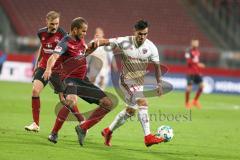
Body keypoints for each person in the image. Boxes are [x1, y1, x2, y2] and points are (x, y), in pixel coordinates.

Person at [43, 17, 113, 145]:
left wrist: (93, 48)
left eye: (86, 31)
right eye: (83, 31)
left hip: (82, 80)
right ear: (75, 30)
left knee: (108, 103)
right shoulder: (65, 42)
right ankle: (54, 133)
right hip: (69, 79)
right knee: (71, 100)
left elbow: (82, 54)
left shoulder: (80, 40)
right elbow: (53, 57)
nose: (85, 34)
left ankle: (83, 127)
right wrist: (48, 69)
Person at [101, 20, 166, 147]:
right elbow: (108, 41)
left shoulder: (151, 47)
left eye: (145, 34)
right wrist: (95, 43)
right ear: (134, 32)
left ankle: (108, 131)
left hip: (138, 83)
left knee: (130, 111)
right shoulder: (125, 41)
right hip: (126, 80)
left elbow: (157, 67)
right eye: (140, 34)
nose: (142, 37)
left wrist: (159, 84)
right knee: (143, 102)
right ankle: (148, 137)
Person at [24, 11, 83, 132]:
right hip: (43, 67)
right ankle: (35, 124)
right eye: (52, 24)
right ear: (46, 21)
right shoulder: (41, 33)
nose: (54, 26)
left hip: (58, 70)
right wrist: (37, 63)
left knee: (64, 100)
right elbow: (43, 47)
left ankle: (82, 121)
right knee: (35, 90)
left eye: (56, 23)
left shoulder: (63, 34)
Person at [185, 39, 205, 109]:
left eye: (197, 43)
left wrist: (198, 65)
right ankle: (187, 103)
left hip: (196, 72)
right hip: (190, 72)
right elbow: (188, 62)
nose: (196, 44)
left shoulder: (197, 52)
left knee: (202, 86)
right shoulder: (188, 51)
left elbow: (195, 62)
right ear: (192, 43)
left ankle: (195, 101)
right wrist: (198, 64)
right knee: (189, 88)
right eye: (195, 42)